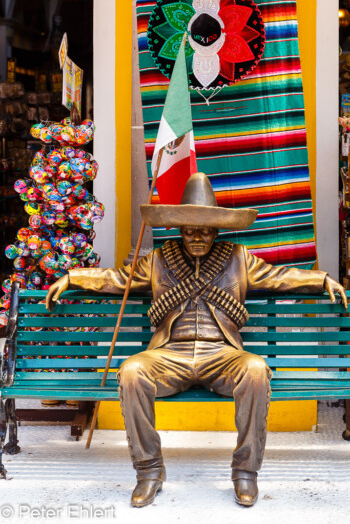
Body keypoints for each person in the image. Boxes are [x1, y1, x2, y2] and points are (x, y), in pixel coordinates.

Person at [46, 172, 347, 508]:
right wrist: (74, 276)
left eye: (205, 230)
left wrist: (322, 280)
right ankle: (149, 471)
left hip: (222, 355)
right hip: (169, 355)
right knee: (131, 372)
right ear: (179, 229)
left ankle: (245, 471)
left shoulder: (237, 258)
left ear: (216, 231)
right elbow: (118, 278)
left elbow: (279, 278)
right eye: (189, 230)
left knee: (256, 369)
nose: (197, 238)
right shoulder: (160, 260)